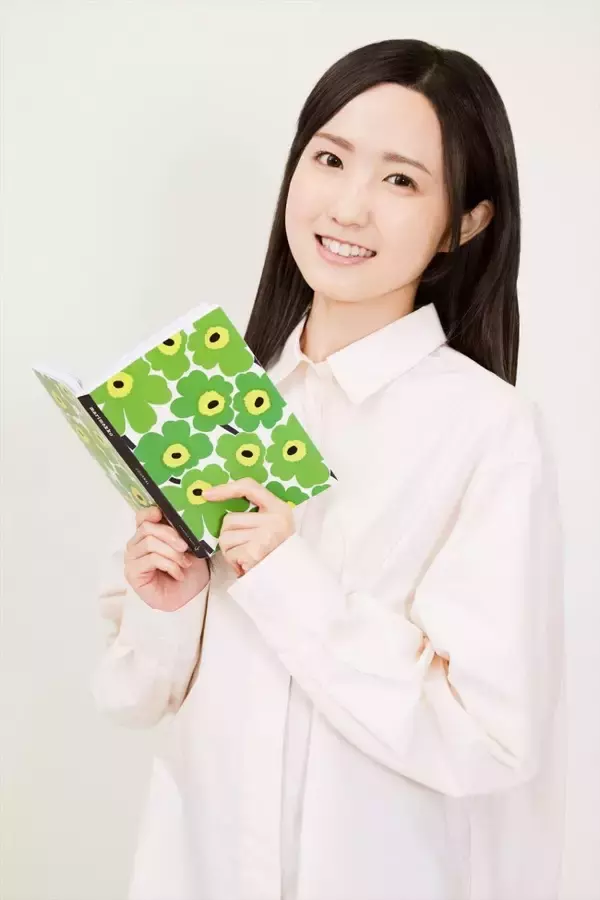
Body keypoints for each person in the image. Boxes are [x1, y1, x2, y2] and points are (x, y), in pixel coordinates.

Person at [91, 38, 566, 900]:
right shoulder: (211, 395)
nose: (348, 207)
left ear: (466, 223)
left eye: (401, 180)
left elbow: (491, 739)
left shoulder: (489, 430)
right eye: (330, 159)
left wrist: (285, 577)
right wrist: (171, 606)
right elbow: (131, 697)